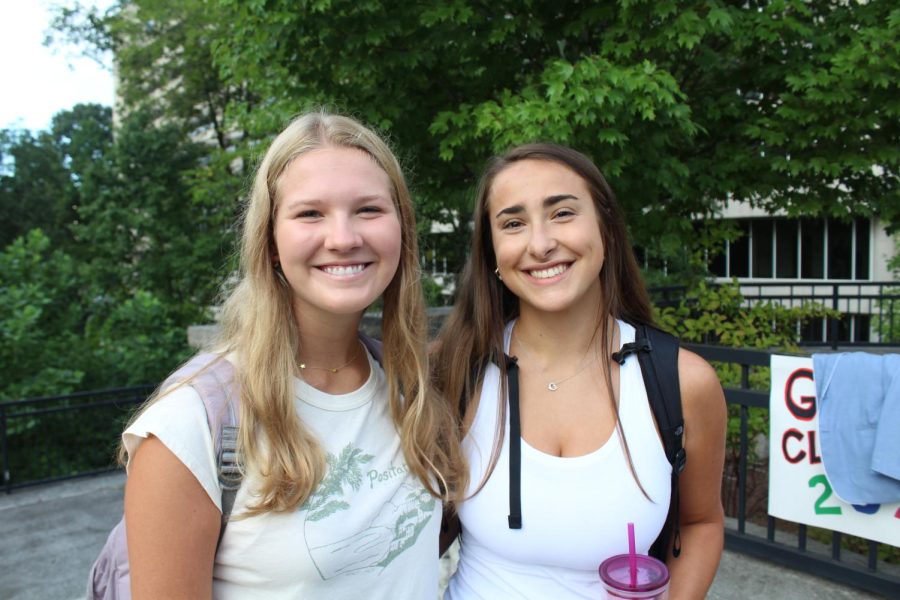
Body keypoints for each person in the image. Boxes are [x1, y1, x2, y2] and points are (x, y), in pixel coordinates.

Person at [120, 111, 463, 599]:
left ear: (402, 230)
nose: (343, 238)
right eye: (310, 214)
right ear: (271, 242)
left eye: (368, 209)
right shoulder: (190, 426)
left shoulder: (413, 387)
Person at [435, 143, 726, 599]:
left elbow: (700, 523)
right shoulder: (454, 371)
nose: (541, 243)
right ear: (492, 251)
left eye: (563, 213)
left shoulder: (682, 383)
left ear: (606, 229)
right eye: (513, 223)